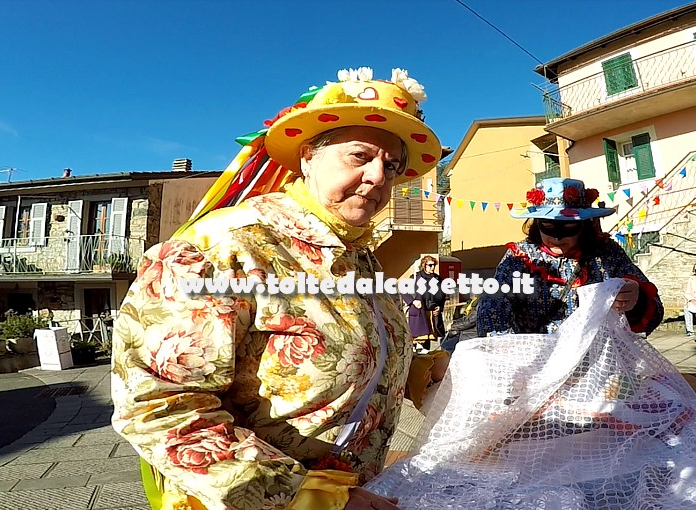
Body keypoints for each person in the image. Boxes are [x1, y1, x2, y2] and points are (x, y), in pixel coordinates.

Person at [110, 67, 445, 510]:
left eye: (392, 165)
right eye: (360, 156)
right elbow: (159, 409)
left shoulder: (359, 254)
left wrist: (421, 376)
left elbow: (358, 351)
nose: (379, 177)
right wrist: (309, 498)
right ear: (308, 157)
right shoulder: (224, 248)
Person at [477, 177, 664, 337]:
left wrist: (636, 301)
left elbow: (655, 313)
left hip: (595, 366)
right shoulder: (519, 258)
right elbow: (493, 305)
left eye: (568, 227)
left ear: (584, 224)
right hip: (537, 364)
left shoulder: (607, 254)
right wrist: (506, 349)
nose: (557, 237)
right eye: (548, 226)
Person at [402, 256, 446, 350]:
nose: (433, 267)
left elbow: (442, 296)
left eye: (434, 265)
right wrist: (413, 301)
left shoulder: (437, 279)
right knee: (417, 343)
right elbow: (403, 291)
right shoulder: (415, 278)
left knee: (427, 345)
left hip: (432, 315)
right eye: (430, 265)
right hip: (419, 314)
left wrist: (439, 307)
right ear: (424, 266)